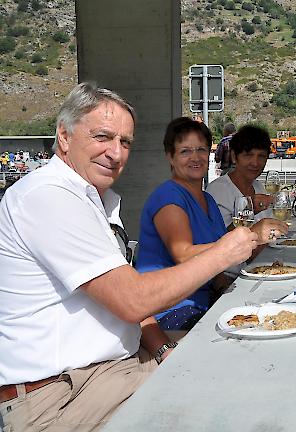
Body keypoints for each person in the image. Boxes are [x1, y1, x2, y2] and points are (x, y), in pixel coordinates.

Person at [0, 82, 259, 431]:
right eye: (102, 137)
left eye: (125, 143)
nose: (116, 153)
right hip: (59, 396)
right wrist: (226, 250)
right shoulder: (47, 196)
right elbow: (133, 300)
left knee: (241, 348)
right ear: (64, 137)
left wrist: (163, 350)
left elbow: (127, 305)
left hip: (109, 370)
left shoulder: (94, 200)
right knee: (222, 395)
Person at [136, 118, 287, 331]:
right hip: (171, 312)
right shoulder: (168, 196)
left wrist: (225, 291)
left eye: (201, 150)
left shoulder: (207, 200)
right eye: (185, 151)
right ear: (170, 156)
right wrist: (250, 235)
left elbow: (215, 263)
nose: (195, 157)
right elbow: (183, 254)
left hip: (203, 302)